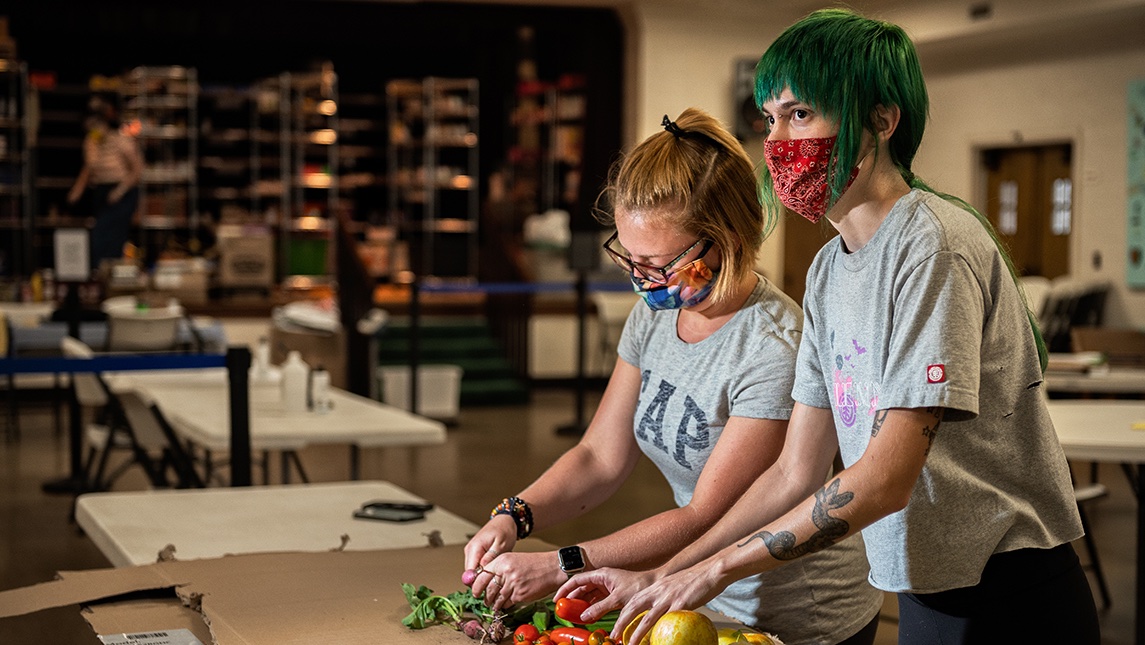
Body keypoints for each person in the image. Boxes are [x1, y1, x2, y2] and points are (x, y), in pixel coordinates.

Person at [558, 10, 1102, 645]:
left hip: (1006, 591)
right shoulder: (828, 269)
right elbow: (795, 474)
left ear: (882, 120)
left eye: (801, 114)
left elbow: (884, 479)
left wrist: (713, 571)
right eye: (770, 119)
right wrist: (668, 573)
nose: (778, 140)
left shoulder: (933, 247)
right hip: (924, 582)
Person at [464, 108, 883, 645]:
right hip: (693, 589)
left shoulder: (773, 347)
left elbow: (705, 515)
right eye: (630, 258)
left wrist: (560, 564)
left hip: (798, 610)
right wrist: (514, 515)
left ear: (726, 240)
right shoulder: (656, 317)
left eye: (658, 264)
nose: (642, 281)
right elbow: (599, 457)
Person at [67, 94, 143, 272]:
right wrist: (77, 191)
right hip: (101, 192)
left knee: (112, 237)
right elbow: (89, 168)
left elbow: (138, 169)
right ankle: (100, 274)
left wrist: (120, 191)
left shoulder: (120, 139)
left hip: (121, 193)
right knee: (99, 237)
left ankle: (110, 274)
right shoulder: (92, 143)